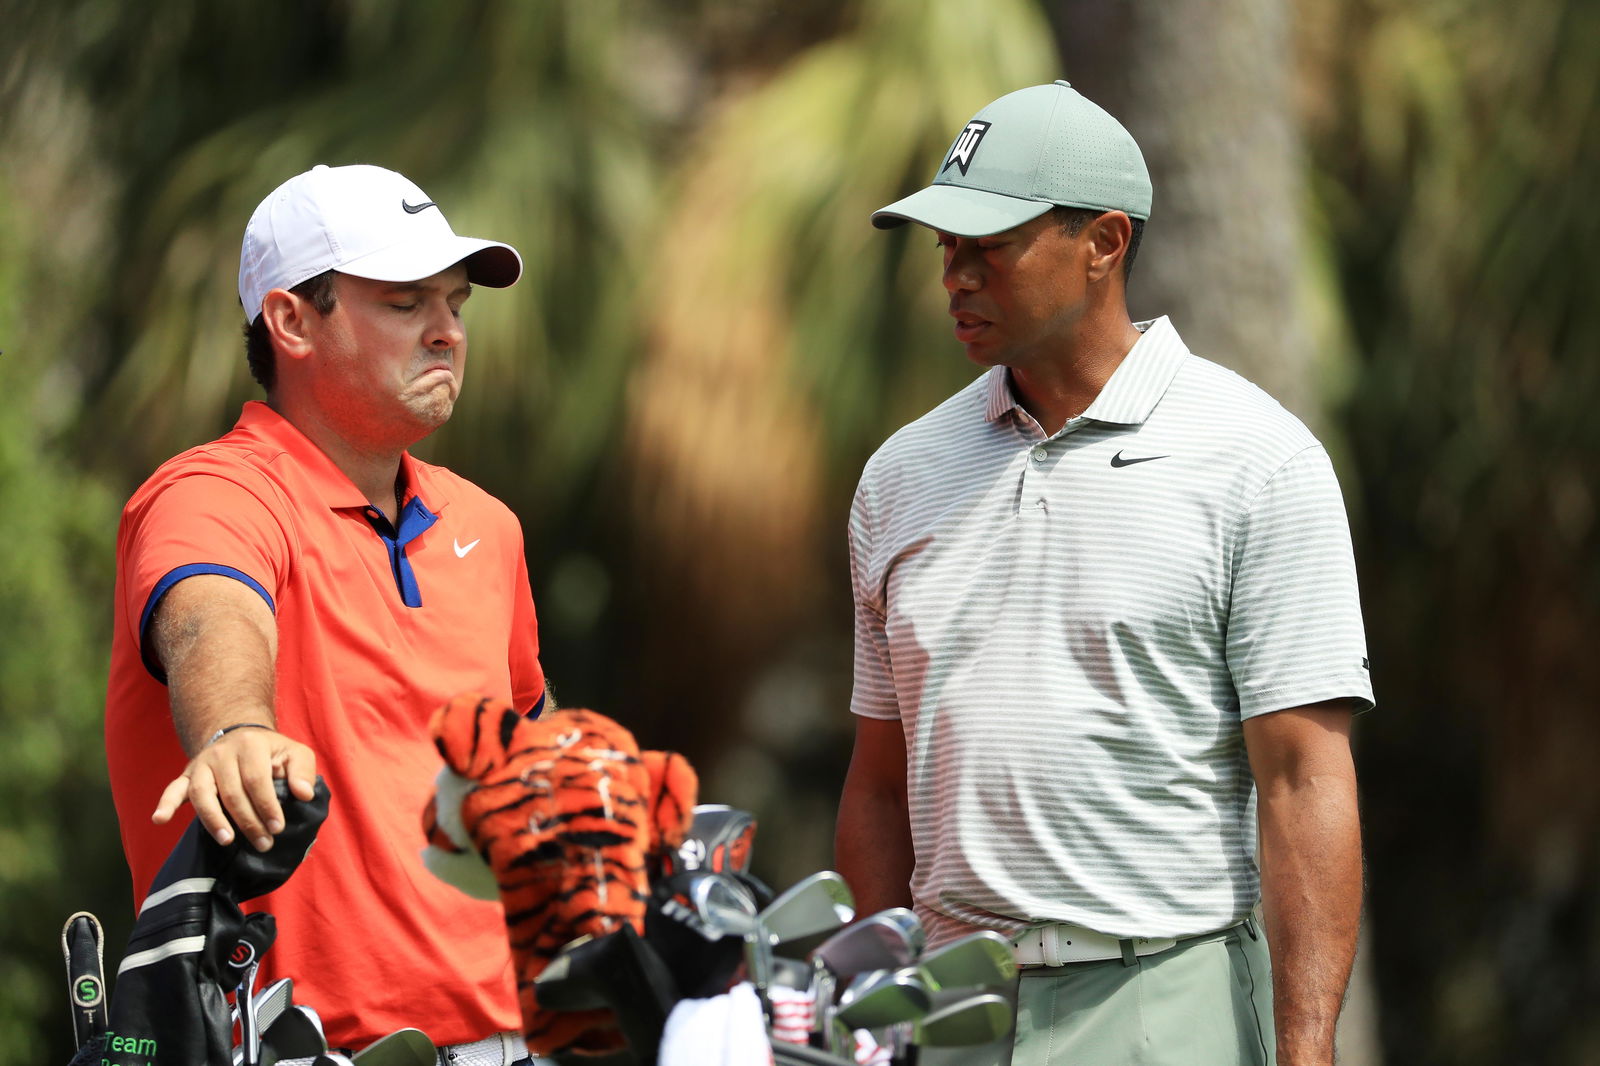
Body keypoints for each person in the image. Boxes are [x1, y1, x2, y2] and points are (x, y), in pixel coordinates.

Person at [835, 82, 1373, 1066]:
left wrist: (1306, 1051)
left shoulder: (1256, 460)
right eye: (944, 248)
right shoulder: (897, 479)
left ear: (1104, 244)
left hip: (1167, 1003)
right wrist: (874, 1022)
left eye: (987, 246)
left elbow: (1302, 777)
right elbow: (876, 784)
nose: (953, 274)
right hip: (953, 1009)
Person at [104, 164, 547, 1064]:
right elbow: (209, 613)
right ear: (292, 321)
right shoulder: (212, 493)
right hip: (301, 1046)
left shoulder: (489, 528)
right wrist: (235, 728)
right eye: (404, 303)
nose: (447, 332)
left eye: (456, 303)